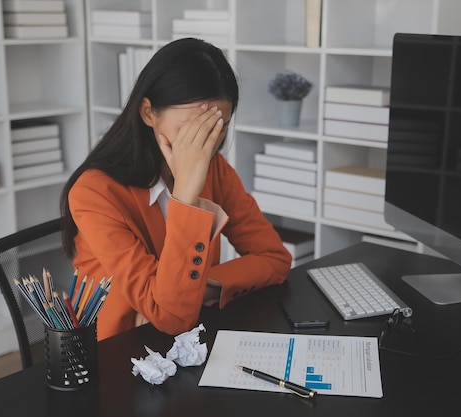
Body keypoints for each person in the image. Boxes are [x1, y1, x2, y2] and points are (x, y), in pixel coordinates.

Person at [60, 38, 292, 341]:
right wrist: (185, 195)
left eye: (214, 130)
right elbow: (172, 316)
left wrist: (202, 287)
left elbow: (275, 258)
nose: (202, 145)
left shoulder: (216, 168)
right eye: (190, 129)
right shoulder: (94, 193)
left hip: (192, 336)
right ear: (148, 113)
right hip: (120, 348)